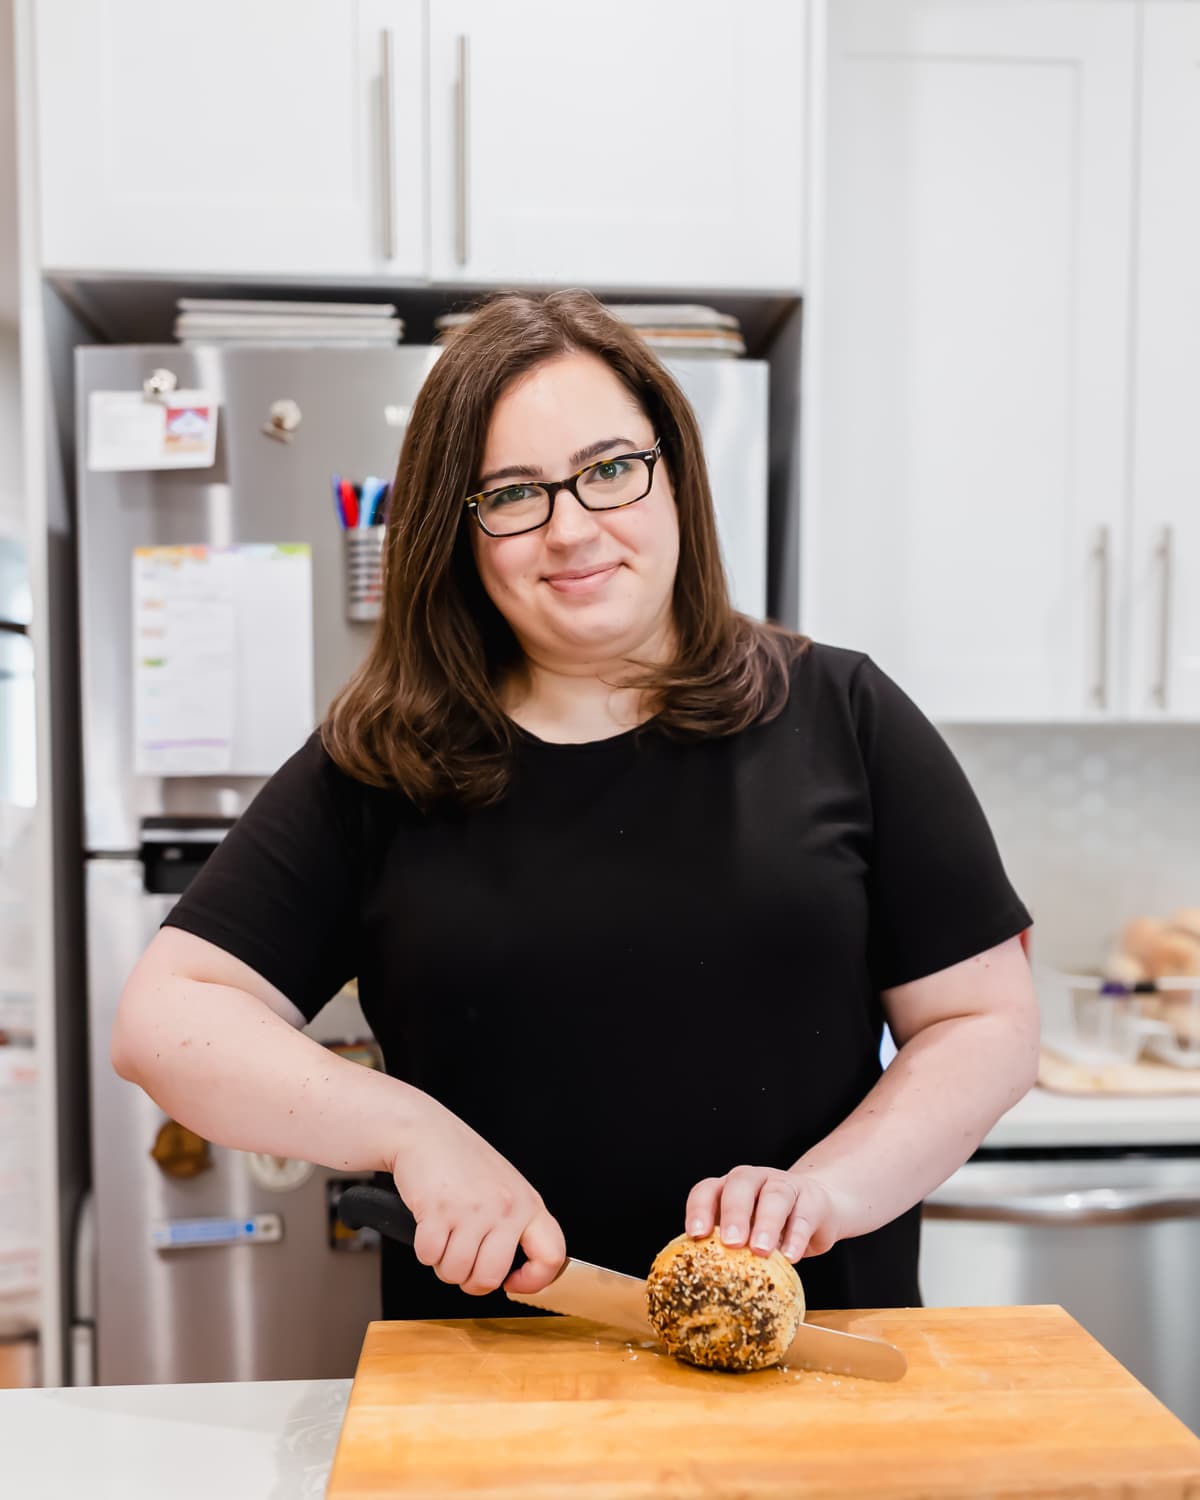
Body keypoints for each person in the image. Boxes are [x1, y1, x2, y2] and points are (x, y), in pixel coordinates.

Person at [112, 290, 1040, 1322]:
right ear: (457, 534)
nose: (571, 527)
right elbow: (166, 1018)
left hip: (806, 1359)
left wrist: (832, 1188)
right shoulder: (385, 759)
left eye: (608, 470)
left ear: (673, 473)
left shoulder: (843, 714)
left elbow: (984, 1021)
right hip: (493, 1377)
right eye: (513, 494)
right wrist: (411, 1131)